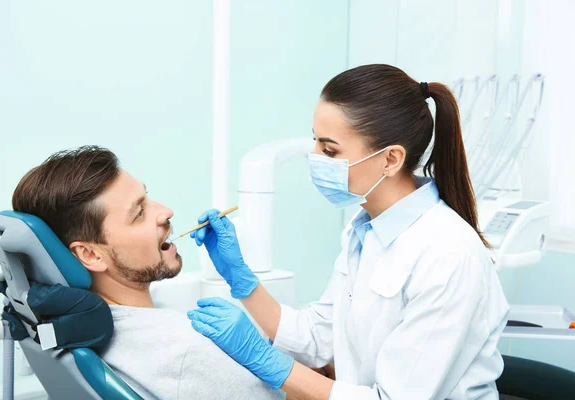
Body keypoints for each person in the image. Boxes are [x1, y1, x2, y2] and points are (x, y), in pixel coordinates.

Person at [187, 64, 510, 399]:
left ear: (390, 159)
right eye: (315, 142)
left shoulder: (448, 255)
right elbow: (317, 338)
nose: (314, 158)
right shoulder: (364, 231)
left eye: (329, 150)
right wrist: (240, 277)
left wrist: (263, 359)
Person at [12, 146, 283, 400]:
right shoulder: (185, 351)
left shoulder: (68, 330)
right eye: (139, 213)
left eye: (147, 197)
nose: (166, 212)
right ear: (91, 254)